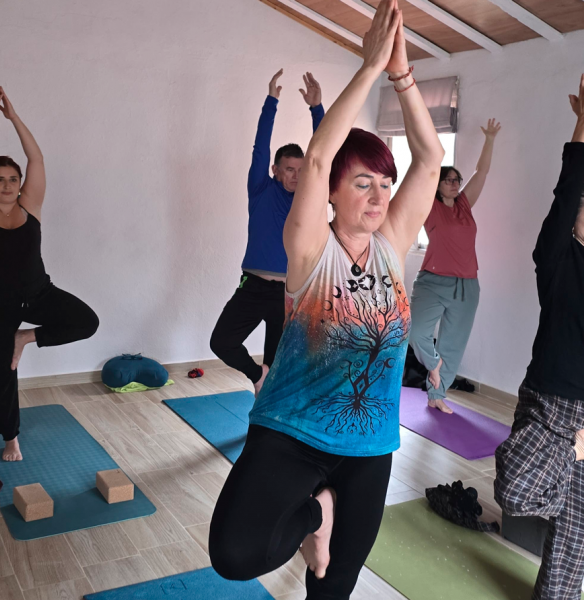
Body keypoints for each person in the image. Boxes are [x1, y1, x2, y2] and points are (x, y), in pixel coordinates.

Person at [208, 2, 444, 598]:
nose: (379, 197)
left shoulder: (392, 245)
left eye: (385, 184)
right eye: (363, 183)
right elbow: (316, 157)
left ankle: (327, 514)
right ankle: (318, 513)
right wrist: (369, 68)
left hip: (370, 447)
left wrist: (402, 74)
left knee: (333, 587)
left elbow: (431, 157)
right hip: (291, 431)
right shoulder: (311, 249)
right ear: (332, 192)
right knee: (235, 554)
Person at [495, 74, 584, 600]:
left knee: (574, 537)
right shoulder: (556, 260)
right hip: (550, 404)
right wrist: (583, 125)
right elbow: (566, 191)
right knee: (516, 490)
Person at [0, 87, 99, 461]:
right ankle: (11, 438)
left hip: (38, 294)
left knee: (87, 321)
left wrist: (14, 118)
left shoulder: (30, 205)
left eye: (12, 179)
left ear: (20, 183)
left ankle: (25, 337)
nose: (7, 185)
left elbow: (36, 158)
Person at [210, 70, 324, 396]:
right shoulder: (260, 189)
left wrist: (316, 109)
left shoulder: (308, 198)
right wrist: (271, 101)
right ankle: (256, 374)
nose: (296, 176)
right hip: (253, 286)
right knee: (222, 341)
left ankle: (265, 406)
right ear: (275, 170)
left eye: (301, 170)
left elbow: (323, 156)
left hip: (290, 292)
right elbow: (260, 147)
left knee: (278, 366)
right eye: (289, 169)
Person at [409, 118, 501, 413]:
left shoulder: (463, 205)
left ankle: (437, 395)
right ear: (437, 184)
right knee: (416, 331)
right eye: (448, 179)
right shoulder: (429, 206)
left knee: (453, 343)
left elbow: (481, 172)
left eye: (456, 180)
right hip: (432, 281)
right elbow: (422, 171)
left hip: (467, 286)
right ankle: (433, 365)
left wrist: (489, 139)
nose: (455, 184)